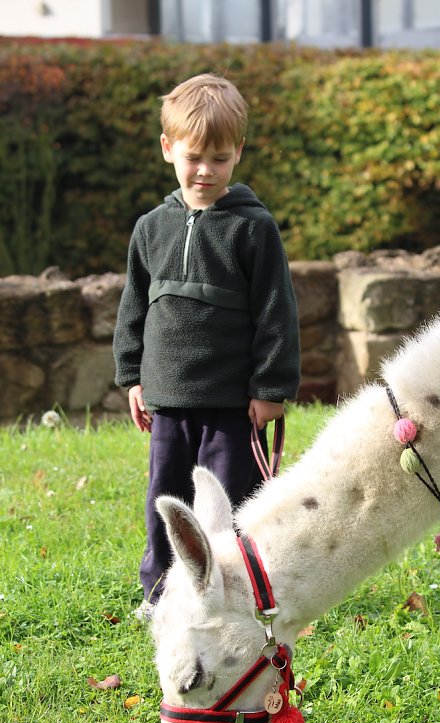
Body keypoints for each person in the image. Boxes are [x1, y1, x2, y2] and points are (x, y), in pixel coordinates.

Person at [113, 73, 300, 620]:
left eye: (219, 158)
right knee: (165, 499)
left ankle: (234, 585)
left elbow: (277, 312)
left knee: (224, 505)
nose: (205, 170)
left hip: (230, 403)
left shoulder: (253, 229)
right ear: (168, 148)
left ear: (238, 153)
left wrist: (270, 388)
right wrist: (133, 376)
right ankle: (161, 591)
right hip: (168, 398)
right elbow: (135, 305)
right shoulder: (150, 229)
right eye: (194, 156)